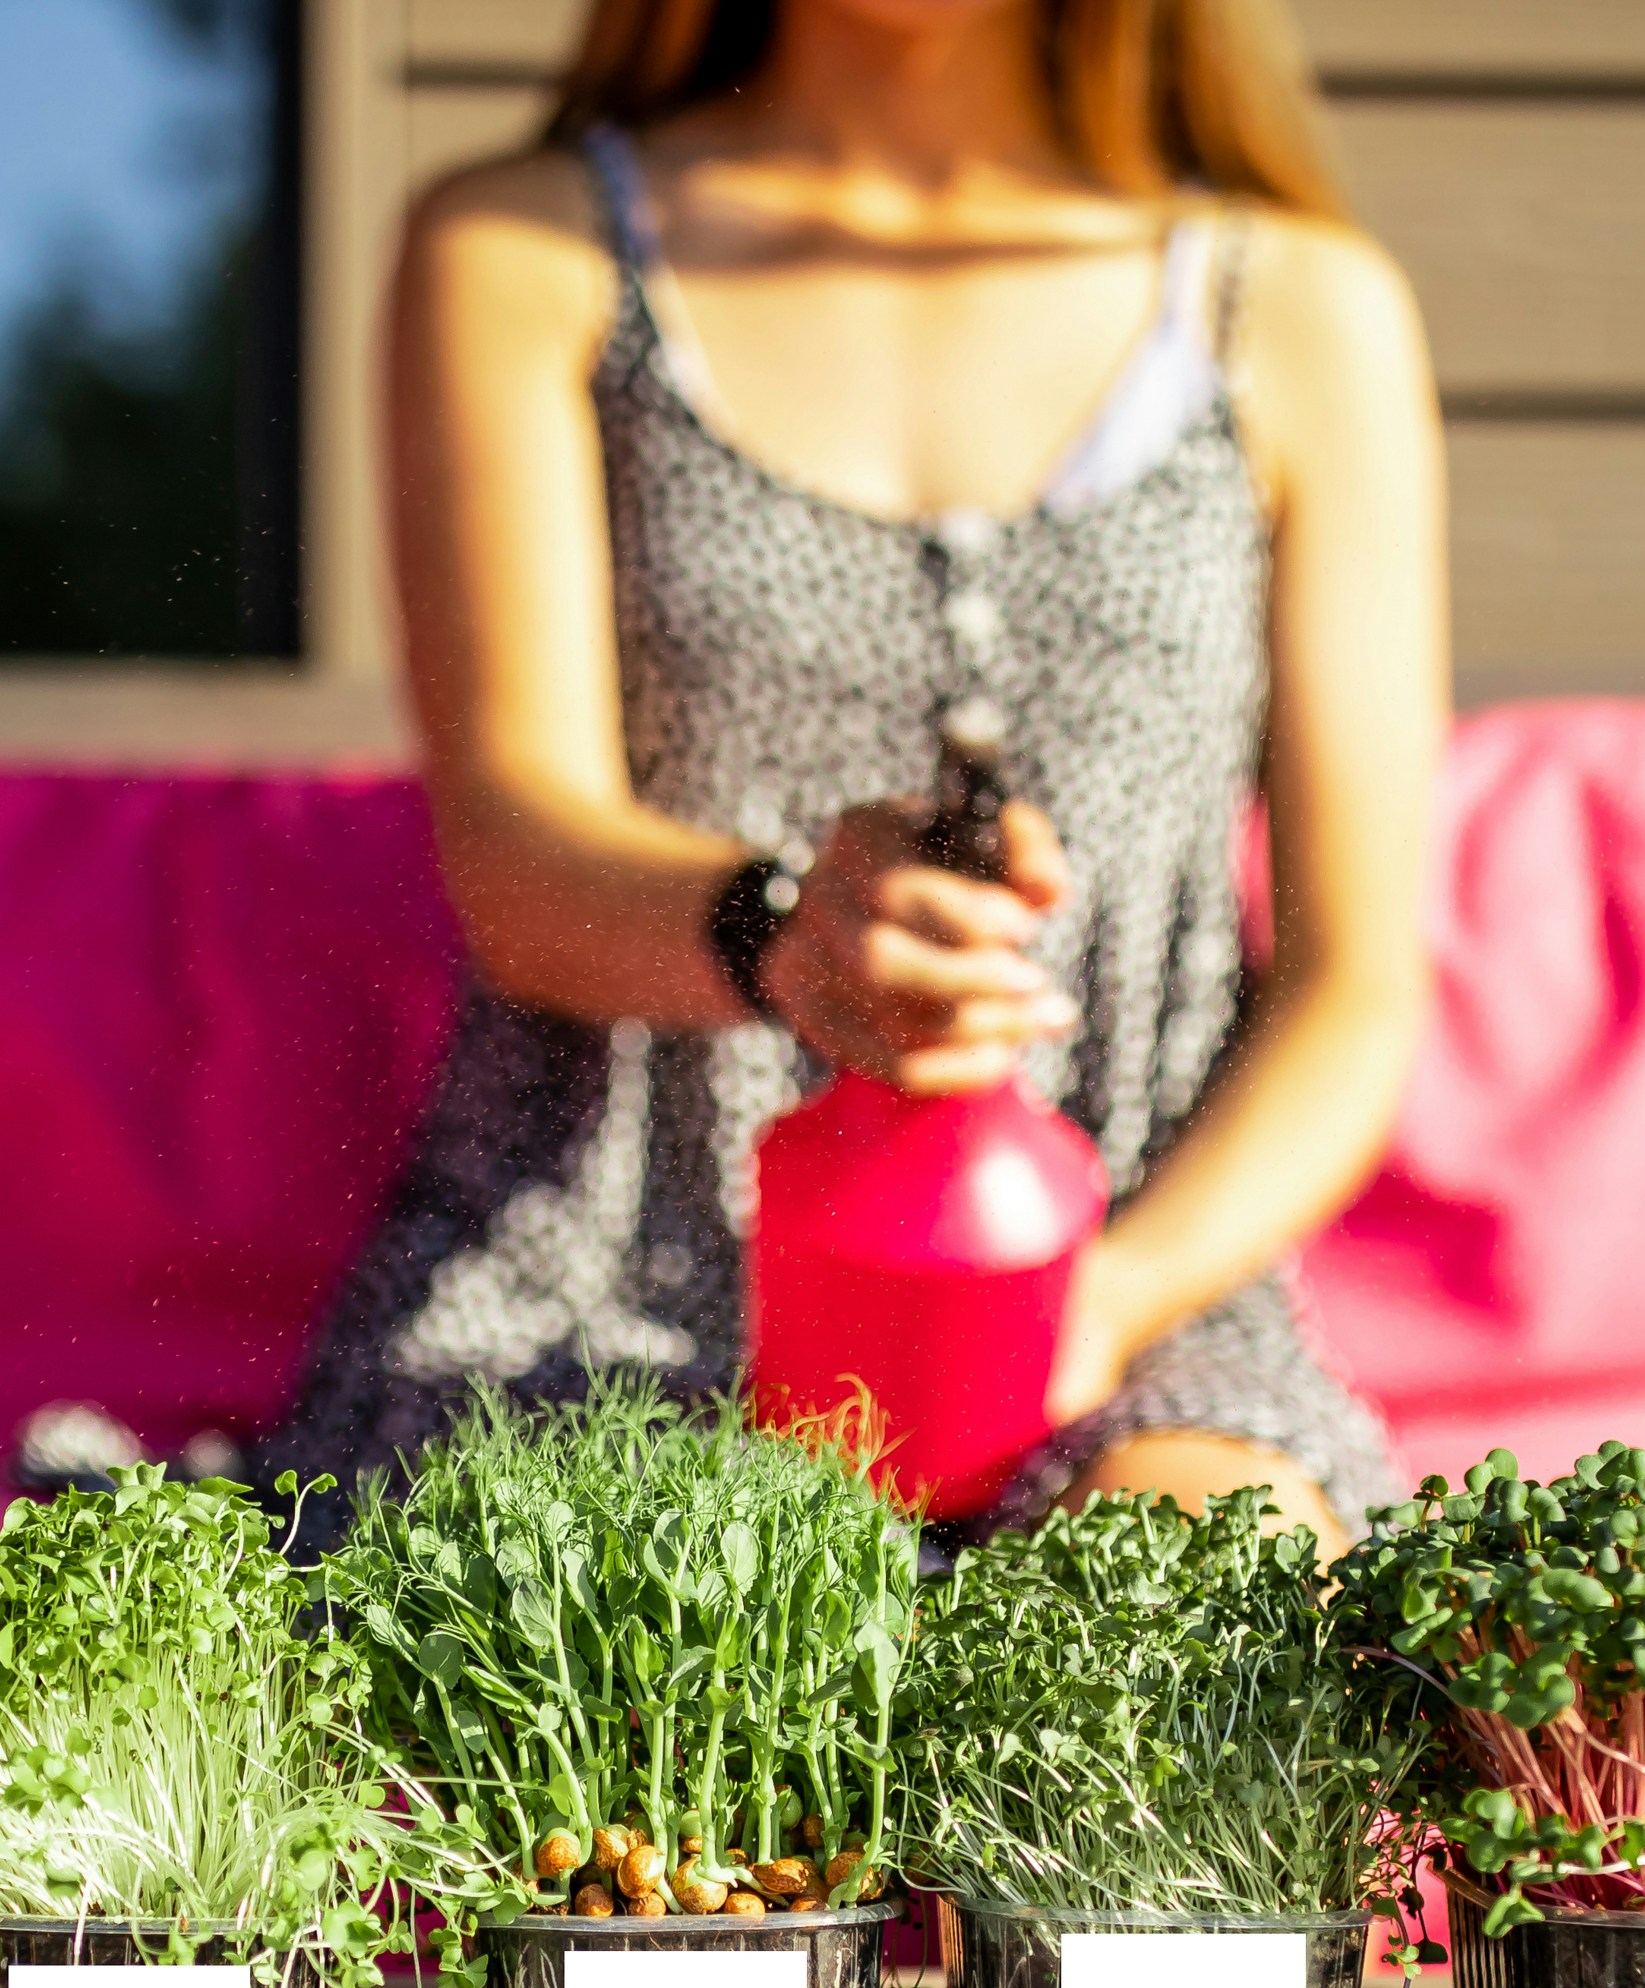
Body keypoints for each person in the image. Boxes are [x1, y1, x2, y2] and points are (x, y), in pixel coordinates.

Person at [254, 0, 1439, 1548]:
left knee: (1213, 1585)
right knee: (637, 1691)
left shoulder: (1295, 307)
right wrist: (786, 934)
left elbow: (1356, 985)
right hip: (609, 1297)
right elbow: (517, 859)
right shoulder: (525, 254)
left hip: (1135, 1317)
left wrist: (1099, 1297)